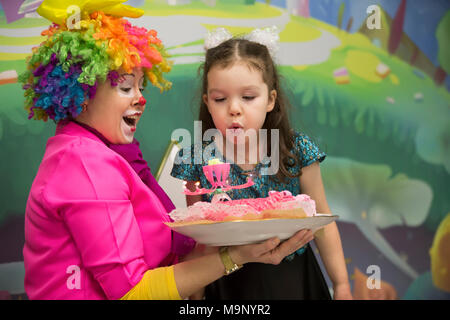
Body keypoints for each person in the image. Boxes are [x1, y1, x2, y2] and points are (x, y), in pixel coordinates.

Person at [21, 1, 313, 300]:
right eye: (125, 87)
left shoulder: (97, 152)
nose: (140, 99)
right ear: (82, 94)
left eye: (141, 87)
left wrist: (239, 245)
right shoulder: (86, 162)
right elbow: (131, 293)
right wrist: (235, 256)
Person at [171, 28, 353, 300]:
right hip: (227, 281)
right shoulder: (196, 160)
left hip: (294, 280)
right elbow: (202, 240)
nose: (234, 108)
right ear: (208, 102)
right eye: (220, 99)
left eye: (248, 97)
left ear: (270, 100)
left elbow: (323, 223)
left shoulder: (295, 151)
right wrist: (196, 299)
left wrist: (341, 286)